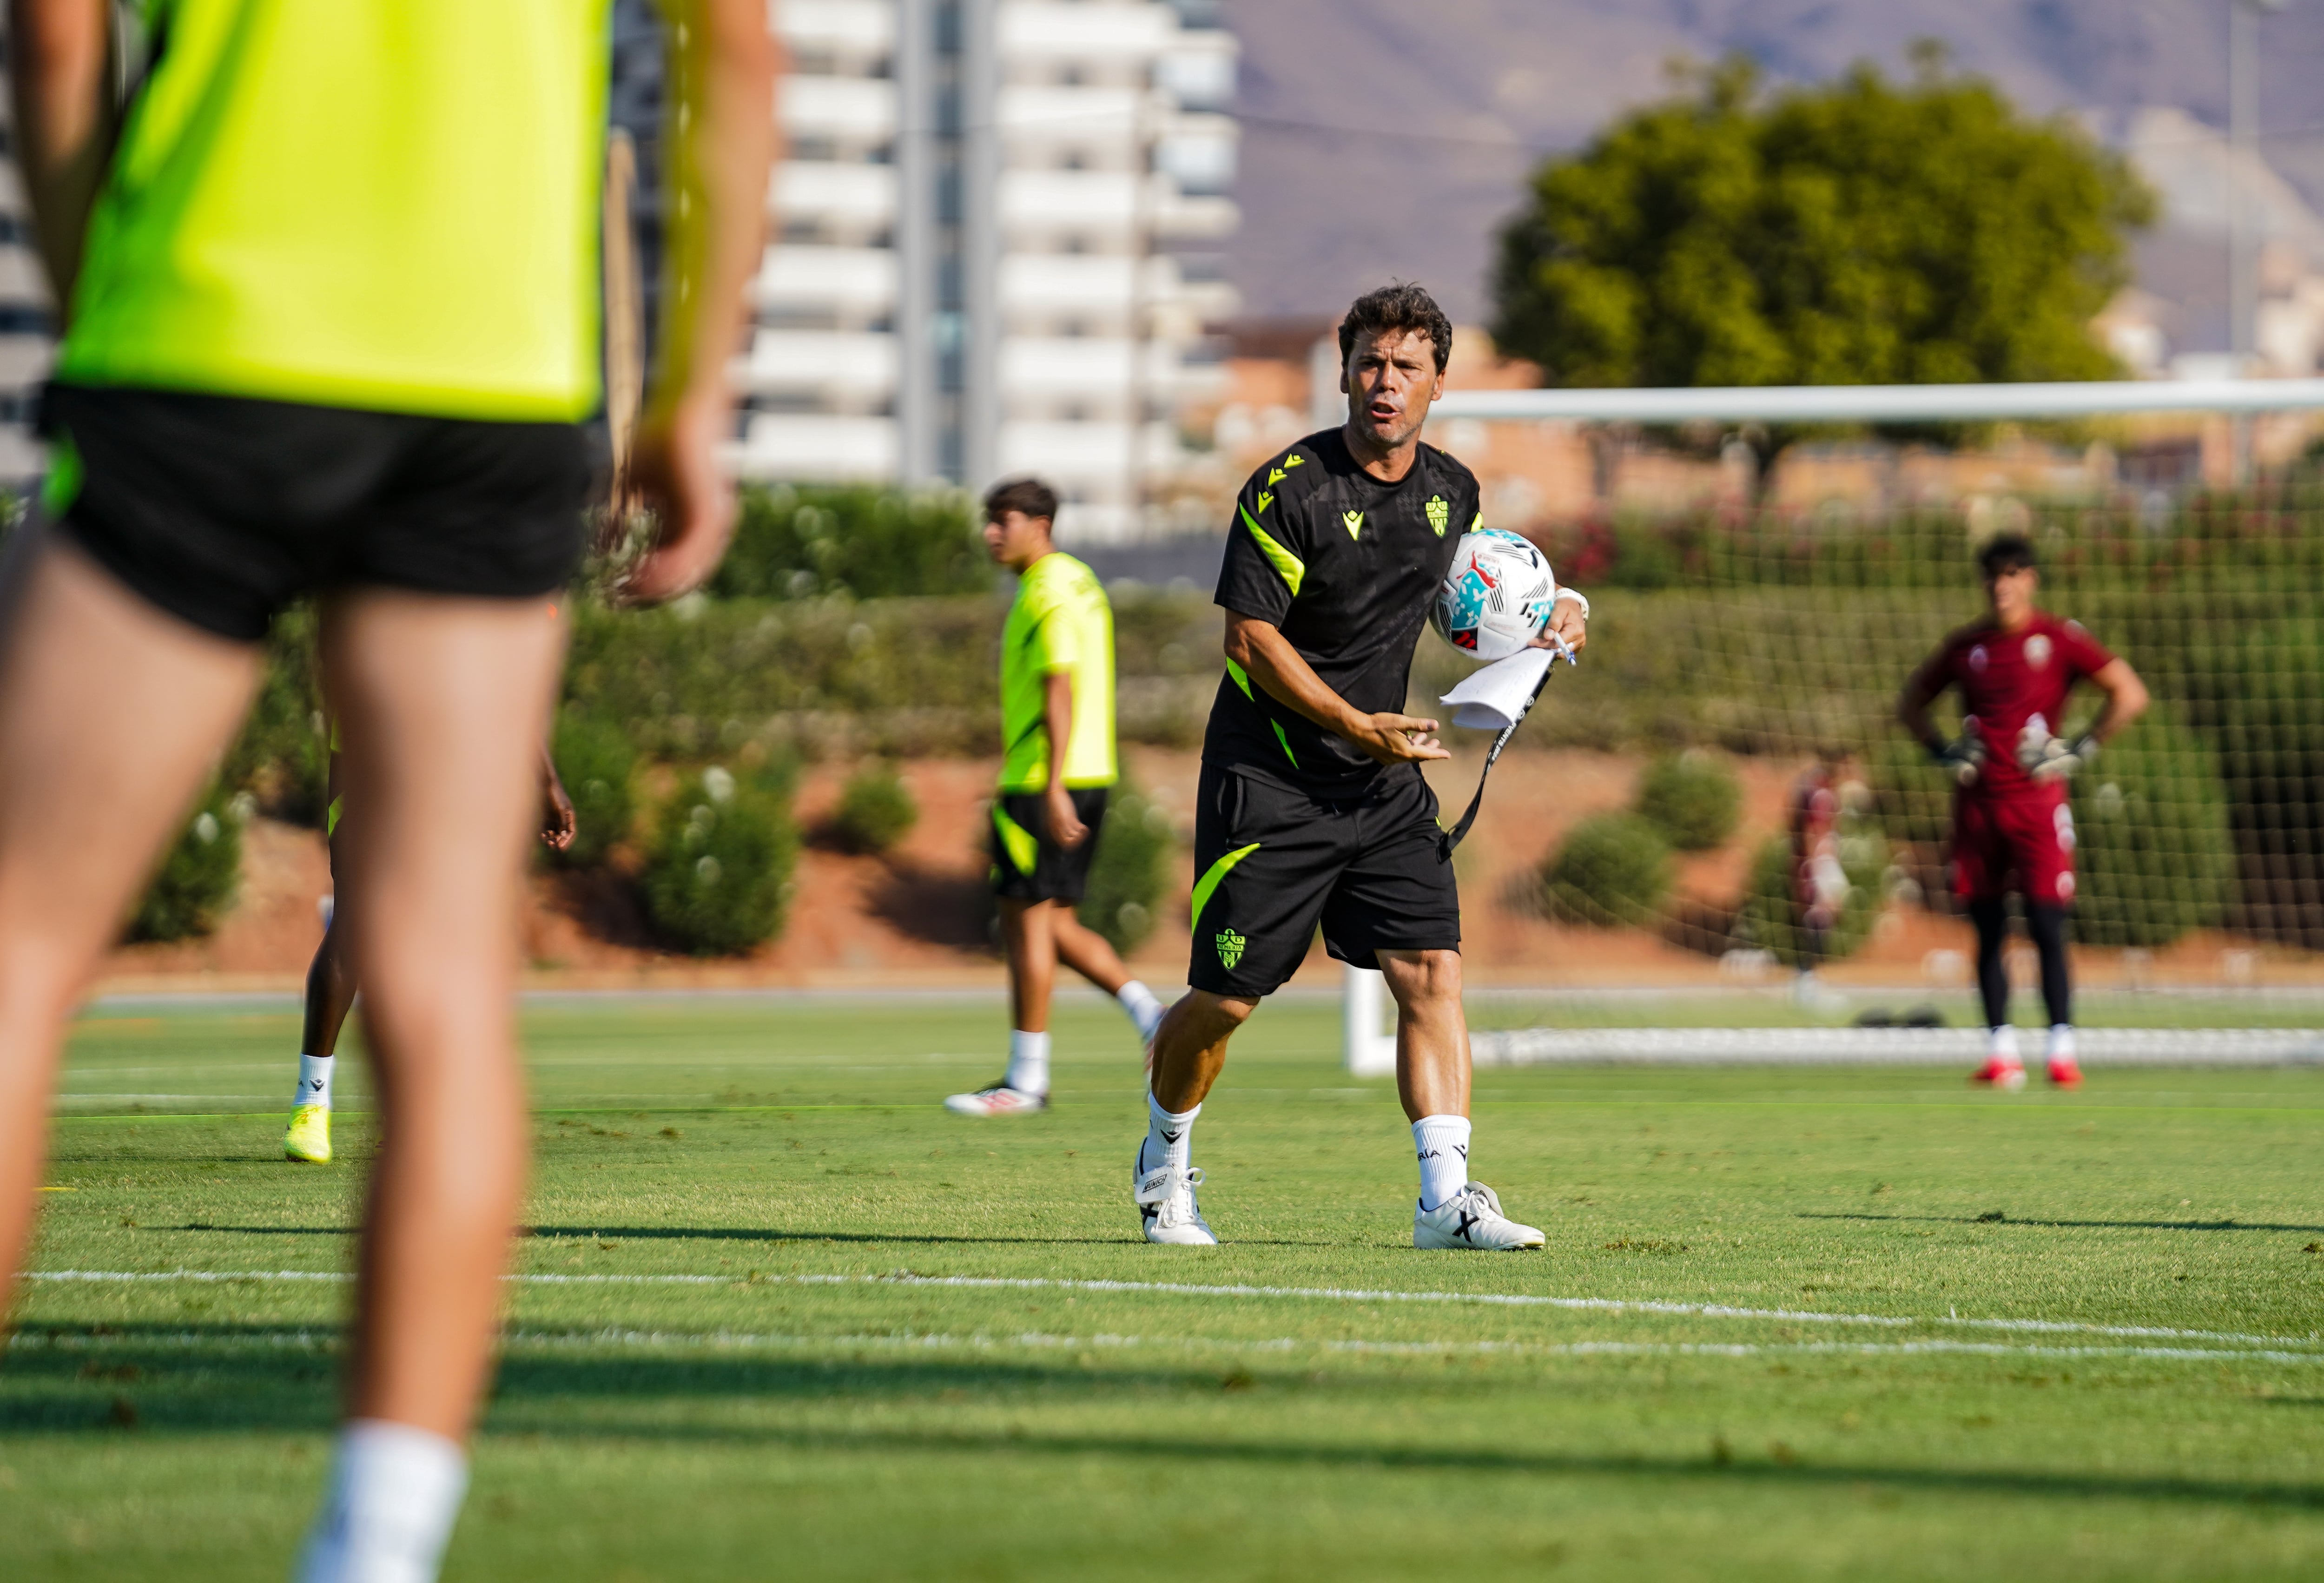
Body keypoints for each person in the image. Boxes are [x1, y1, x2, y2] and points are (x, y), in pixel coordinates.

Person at [0, 5, 773, 1582]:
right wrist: (692, 400)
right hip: (486, 378)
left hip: (202, 331)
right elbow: (740, 52)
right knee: (441, 985)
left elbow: (57, 36)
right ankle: (376, 1548)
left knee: (17, 943)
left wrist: (101, 299)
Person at [1132, 283, 1587, 1248]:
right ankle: (1163, 1160)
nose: (1386, 382)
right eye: (1370, 363)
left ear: (1438, 383)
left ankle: (1445, 1203)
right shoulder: (1287, 490)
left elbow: (1481, 591)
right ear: (1343, 373)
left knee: (1431, 972)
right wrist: (1353, 721)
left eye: (1407, 367)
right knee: (1224, 1002)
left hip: (1381, 784)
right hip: (1271, 779)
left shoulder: (1453, 492)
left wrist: (1560, 610)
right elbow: (1249, 641)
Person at [946, 478, 1166, 1115]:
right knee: (1056, 923)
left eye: (1003, 520)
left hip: (1044, 778)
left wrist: (1051, 787)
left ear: (1040, 525)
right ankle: (1151, 1015)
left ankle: (1026, 1080)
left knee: (1025, 928)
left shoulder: (1045, 588)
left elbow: (1059, 686)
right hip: (1089, 773)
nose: (991, 533)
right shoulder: (1081, 580)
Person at [1897, 532, 2149, 1089]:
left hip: (2037, 806)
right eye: (1992, 574)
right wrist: (1941, 750)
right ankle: (2001, 1053)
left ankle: (2061, 1051)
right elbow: (1909, 703)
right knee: (1987, 930)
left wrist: (2080, 748)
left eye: (2011, 573)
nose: (2001, 585)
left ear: (2030, 579)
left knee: (2046, 925)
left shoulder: (2058, 639)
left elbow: (2128, 693)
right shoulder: (1966, 646)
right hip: (1978, 807)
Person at [284, 732, 577, 1165]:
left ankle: (387, 1112)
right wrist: (548, 784)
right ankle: (320, 1103)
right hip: (390, 753)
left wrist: (546, 783)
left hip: (418, 758)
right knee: (365, 926)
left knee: (409, 930)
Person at [1787, 748, 1856, 1013]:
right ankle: (1806, 981)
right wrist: (1815, 865)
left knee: (1828, 912)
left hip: (1823, 859)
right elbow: (1811, 830)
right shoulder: (1820, 792)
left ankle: (1809, 978)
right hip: (1819, 860)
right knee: (1819, 914)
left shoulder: (1818, 789)